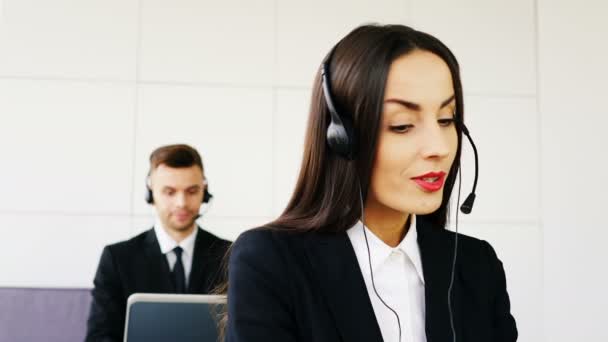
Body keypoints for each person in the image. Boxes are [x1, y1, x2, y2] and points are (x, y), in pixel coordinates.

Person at [226, 24, 517, 342]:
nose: (441, 148)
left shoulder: (476, 266)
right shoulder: (270, 262)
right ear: (343, 138)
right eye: (402, 125)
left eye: (446, 120)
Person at [86, 144, 231, 342]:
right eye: (170, 192)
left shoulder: (230, 255)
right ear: (151, 194)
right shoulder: (118, 259)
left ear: (204, 194)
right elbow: (100, 337)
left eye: (191, 191)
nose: (181, 202)